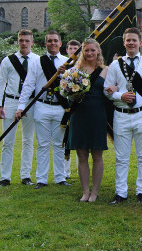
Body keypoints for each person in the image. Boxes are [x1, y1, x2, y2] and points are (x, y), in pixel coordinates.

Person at [104, 27, 142, 204]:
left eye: (134, 40)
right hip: (121, 115)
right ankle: (121, 192)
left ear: (140, 43)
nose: (131, 43)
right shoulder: (115, 65)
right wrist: (121, 96)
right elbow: (107, 91)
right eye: (128, 40)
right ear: (124, 43)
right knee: (121, 157)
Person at [15, 30, 71, 189]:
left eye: (55, 41)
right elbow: (28, 86)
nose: (53, 43)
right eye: (49, 41)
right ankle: (41, 179)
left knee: (60, 144)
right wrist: (21, 107)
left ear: (60, 43)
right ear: (45, 43)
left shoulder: (67, 62)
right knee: (43, 144)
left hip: (61, 107)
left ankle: (60, 177)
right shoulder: (37, 62)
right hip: (42, 106)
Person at [66, 39, 110, 202]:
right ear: (82, 52)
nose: (90, 53)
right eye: (86, 51)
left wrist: (114, 89)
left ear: (98, 51)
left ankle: (95, 192)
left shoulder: (106, 70)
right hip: (79, 114)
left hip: (98, 114)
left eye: (92, 50)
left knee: (97, 154)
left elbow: (113, 89)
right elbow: (67, 91)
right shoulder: (75, 70)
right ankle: (85, 191)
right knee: (81, 154)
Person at [0, 29, 39, 188]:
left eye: (27, 40)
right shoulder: (8, 60)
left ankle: (26, 176)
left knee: (28, 140)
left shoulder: (37, 60)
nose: (24, 43)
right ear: (18, 41)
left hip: (30, 103)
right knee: (8, 141)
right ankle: (4, 177)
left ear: (32, 42)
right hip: (11, 102)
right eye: (21, 40)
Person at [64, 39, 81, 179]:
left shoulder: (82, 67)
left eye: (76, 48)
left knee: (79, 140)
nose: (73, 51)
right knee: (65, 139)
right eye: (71, 48)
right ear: (67, 50)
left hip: (79, 107)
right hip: (64, 107)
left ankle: (79, 168)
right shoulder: (63, 66)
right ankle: (65, 171)